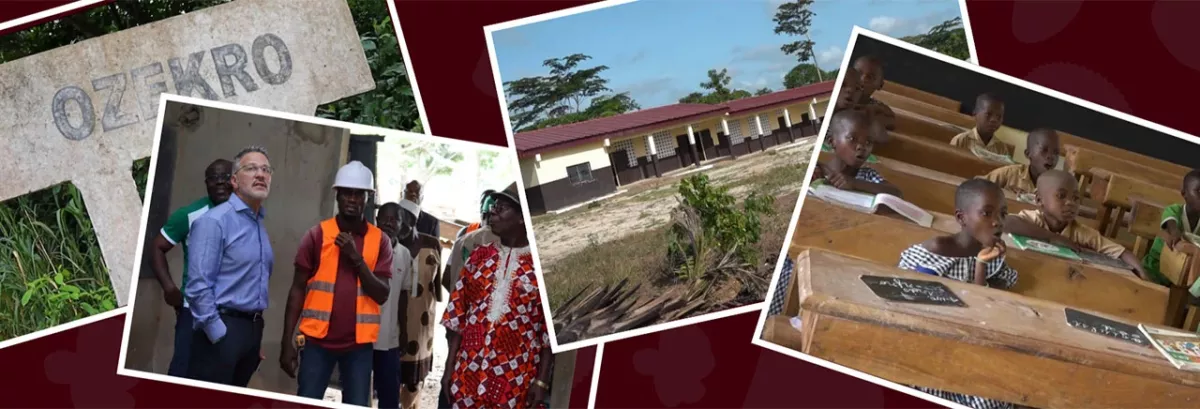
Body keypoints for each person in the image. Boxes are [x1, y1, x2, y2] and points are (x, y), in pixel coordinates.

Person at [897, 178, 1020, 409]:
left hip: (971, 345)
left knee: (999, 396)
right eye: (987, 213)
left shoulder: (993, 258)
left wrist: (982, 266)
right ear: (962, 218)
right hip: (928, 346)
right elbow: (913, 309)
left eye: (1003, 214)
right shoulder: (935, 253)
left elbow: (984, 312)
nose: (997, 222)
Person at [281, 161, 394, 406]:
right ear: (337, 195)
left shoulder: (380, 241)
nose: (352, 199)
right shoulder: (316, 235)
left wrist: (356, 259)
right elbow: (297, 289)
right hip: (316, 345)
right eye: (346, 192)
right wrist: (286, 342)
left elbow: (382, 293)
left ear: (368, 197)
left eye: (358, 193)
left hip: (359, 347)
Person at [440, 182, 553, 409]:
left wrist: (541, 381)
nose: (493, 211)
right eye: (494, 206)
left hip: (516, 380)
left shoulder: (539, 268)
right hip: (468, 374)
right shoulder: (478, 257)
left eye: (502, 208)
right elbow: (456, 317)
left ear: (522, 219)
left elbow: (547, 333)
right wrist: (449, 368)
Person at [185, 146, 275, 387]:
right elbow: (197, 287)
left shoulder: (258, 225)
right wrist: (219, 334)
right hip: (221, 328)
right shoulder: (214, 221)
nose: (260, 174)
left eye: (266, 170)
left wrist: (252, 338)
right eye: (252, 168)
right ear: (234, 180)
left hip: (251, 329)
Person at [151, 158, 233, 378]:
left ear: (235, 180)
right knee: (183, 371)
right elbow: (157, 247)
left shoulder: (246, 217)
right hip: (193, 310)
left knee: (220, 376)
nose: (220, 183)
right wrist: (169, 288)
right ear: (206, 183)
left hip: (230, 311)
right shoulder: (190, 215)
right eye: (214, 178)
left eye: (226, 177)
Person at [1004, 170, 1150, 280]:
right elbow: (1006, 222)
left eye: (1075, 198)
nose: (1070, 203)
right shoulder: (1035, 219)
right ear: (1038, 199)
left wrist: (1142, 274)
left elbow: (1122, 253)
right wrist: (1053, 237)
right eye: (1061, 196)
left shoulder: (1080, 232)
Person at [393, 198, 443, 408]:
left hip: (421, 322)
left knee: (413, 380)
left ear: (415, 220)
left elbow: (437, 287)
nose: (401, 226)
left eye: (406, 221)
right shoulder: (390, 243)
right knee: (390, 376)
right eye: (398, 221)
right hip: (394, 320)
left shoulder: (432, 244)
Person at [371, 202, 415, 409]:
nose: (388, 223)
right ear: (377, 220)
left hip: (389, 338)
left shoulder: (405, 255)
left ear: (401, 225)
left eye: (394, 219)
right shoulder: (363, 246)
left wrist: (404, 331)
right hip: (361, 336)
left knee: (389, 396)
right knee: (357, 392)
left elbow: (403, 296)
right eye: (384, 218)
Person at [810, 110, 902, 197]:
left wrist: (855, 183)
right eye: (852, 139)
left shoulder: (867, 175)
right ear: (832, 142)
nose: (861, 147)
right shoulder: (816, 168)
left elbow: (896, 193)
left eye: (868, 142)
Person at [1142, 170, 1200, 287]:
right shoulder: (1175, 210)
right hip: (1157, 266)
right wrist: (1174, 232)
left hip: (1182, 270)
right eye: (1199, 191)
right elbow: (1170, 222)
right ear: (1184, 194)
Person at [980, 128, 1061, 199]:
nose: (1051, 156)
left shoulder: (1057, 187)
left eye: (1056, 152)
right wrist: (1006, 193)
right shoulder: (1010, 174)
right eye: (1044, 150)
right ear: (1028, 154)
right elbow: (976, 186)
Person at [950, 93, 1014, 158]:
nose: (994, 120)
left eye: (999, 116)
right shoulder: (961, 140)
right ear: (975, 114)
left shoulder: (1002, 149)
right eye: (988, 114)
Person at [852, 55, 897, 131]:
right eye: (858, 73)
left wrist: (871, 113)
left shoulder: (876, 106)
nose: (863, 79)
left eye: (870, 77)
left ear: (880, 85)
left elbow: (892, 122)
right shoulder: (840, 97)